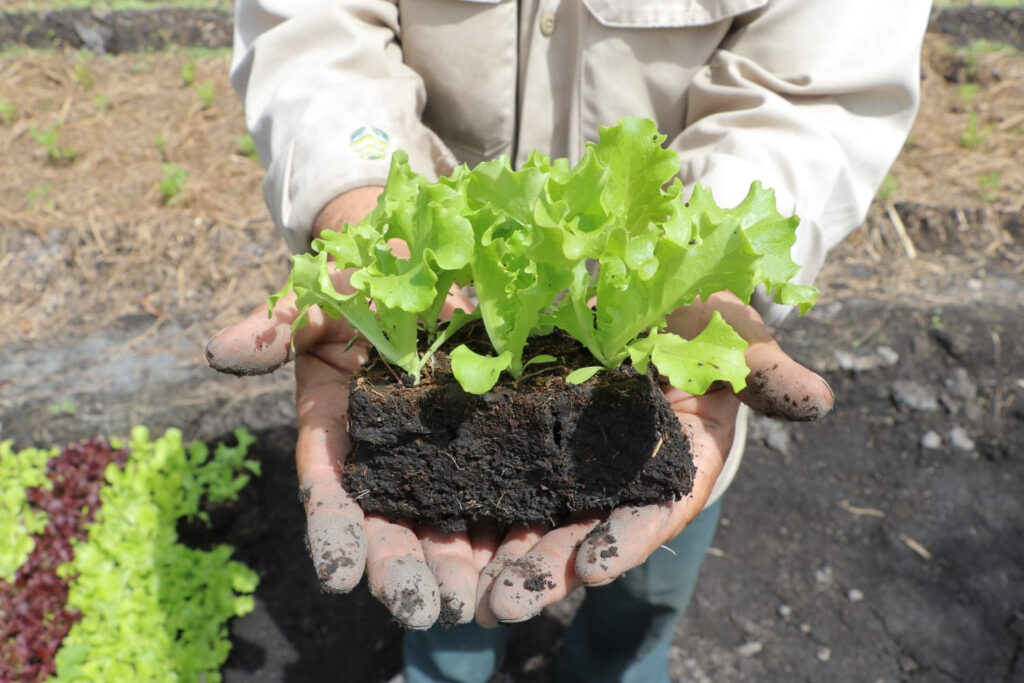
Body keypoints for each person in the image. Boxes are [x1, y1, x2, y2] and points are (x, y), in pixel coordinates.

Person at [206, 1, 931, 681]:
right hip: (449, 278)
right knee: (444, 608)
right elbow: (314, 29)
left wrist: (704, 272)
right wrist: (362, 206)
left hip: (662, 371)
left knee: (643, 582)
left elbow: (816, 88)